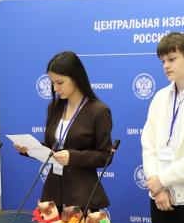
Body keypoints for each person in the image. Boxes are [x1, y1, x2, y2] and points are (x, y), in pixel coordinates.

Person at [14, 51, 113, 212]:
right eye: (52, 83)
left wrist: (72, 157)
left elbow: (105, 156)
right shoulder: (54, 107)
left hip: (83, 196)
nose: (55, 88)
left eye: (60, 82)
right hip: (53, 194)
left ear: (76, 77)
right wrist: (29, 149)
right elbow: (52, 147)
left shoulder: (98, 111)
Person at [141, 32, 184, 223]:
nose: (166, 66)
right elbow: (148, 145)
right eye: (163, 61)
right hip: (159, 196)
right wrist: (157, 186)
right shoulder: (160, 97)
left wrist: (163, 180)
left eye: (172, 59)